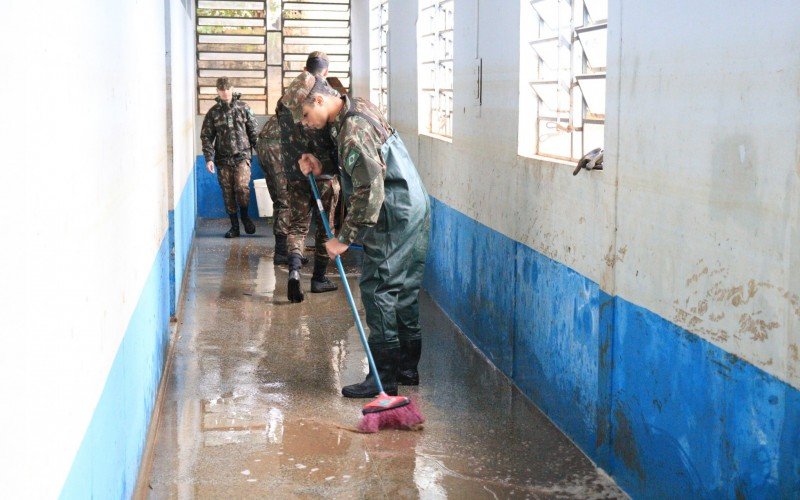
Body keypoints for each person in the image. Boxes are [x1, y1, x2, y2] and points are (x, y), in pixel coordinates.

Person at [286, 72, 430, 398]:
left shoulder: (352, 132)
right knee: (403, 290)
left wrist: (344, 239)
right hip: (413, 204)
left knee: (377, 289)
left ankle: (383, 380)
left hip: (391, 212)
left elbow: (370, 190)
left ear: (319, 99)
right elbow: (363, 164)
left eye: (306, 115)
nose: (306, 123)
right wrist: (321, 164)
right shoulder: (356, 108)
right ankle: (407, 368)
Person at [255, 55, 341, 301]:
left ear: (305, 69)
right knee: (326, 227)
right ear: (325, 71)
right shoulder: (325, 95)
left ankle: (293, 270)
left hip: (296, 170)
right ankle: (319, 279)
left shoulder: (286, 100)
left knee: (298, 226)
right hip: (322, 172)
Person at [200, 77, 259, 238]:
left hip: (242, 156)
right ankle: (234, 226)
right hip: (223, 159)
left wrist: (261, 152)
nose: (225, 92)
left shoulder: (244, 108)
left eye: (227, 89)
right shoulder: (213, 112)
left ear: (232, 89)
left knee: (241, 187)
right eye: (221, 89)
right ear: (217, 91)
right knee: (228, 192)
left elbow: (253, 133)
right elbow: (206, 136)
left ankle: (245, 217)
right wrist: (209, 158)